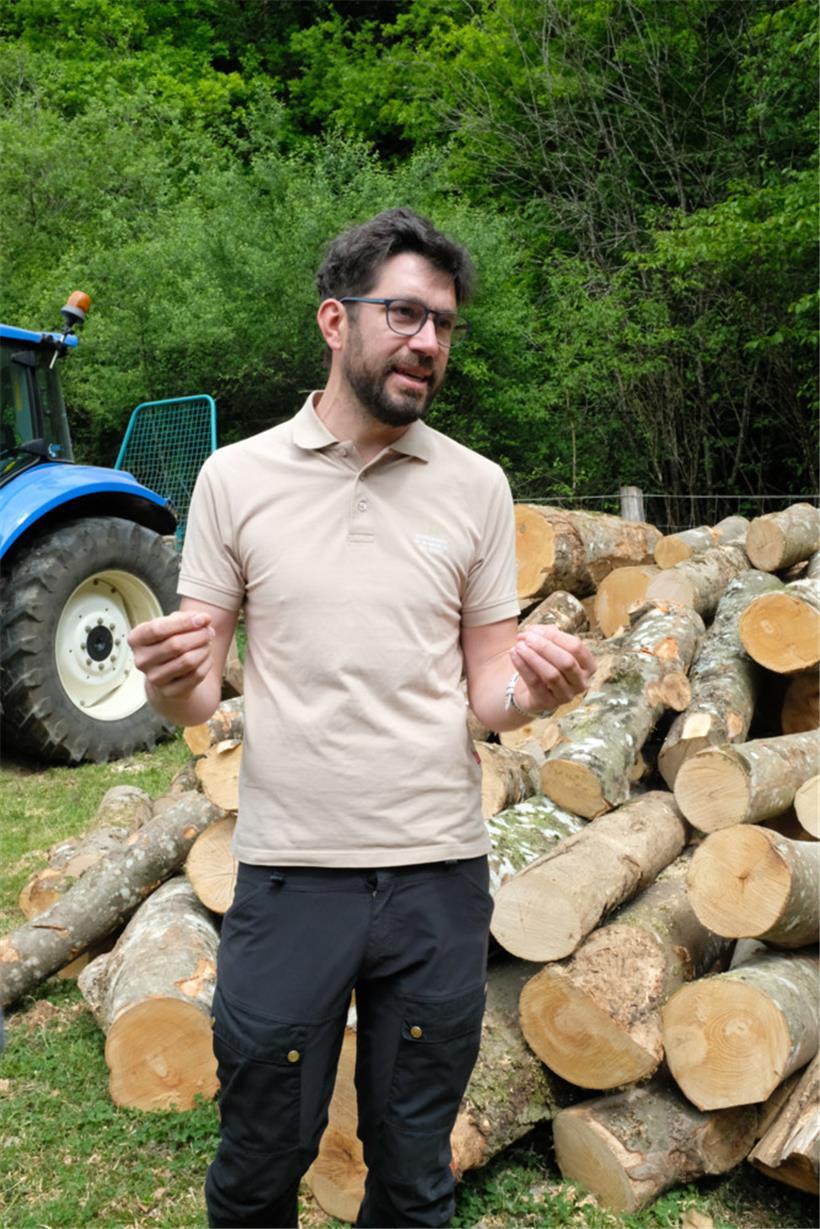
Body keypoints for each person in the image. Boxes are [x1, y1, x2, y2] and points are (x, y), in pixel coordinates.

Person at [128, 207, 595, 1229]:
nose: (428, 341)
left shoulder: (476, 486)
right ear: (335, 320)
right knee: (259, 1162)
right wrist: (169, 681)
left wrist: (537, 691)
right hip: (290, 873)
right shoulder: (236, 478)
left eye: (444, 323)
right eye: (405, 314)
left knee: (416, 1175)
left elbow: (488, 688)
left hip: (437, 874)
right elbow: (198, 690)